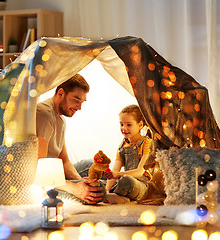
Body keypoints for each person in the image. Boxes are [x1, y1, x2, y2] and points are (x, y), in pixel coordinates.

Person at [36, 74, 104, 204]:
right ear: (61, 93)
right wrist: (74, 188)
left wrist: (81, 182)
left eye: (82, 102)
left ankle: (115, 187)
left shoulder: (60, 119)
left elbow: (64, 160)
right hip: (44, 180)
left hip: (56, 173)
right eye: (76, 100)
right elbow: (39, 166)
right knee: (98, 192)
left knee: (92, 165)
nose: (79, 107)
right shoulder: (44, 114)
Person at [104, 104, 152, 204]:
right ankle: (113, 196)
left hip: (141, 185)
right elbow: (115, 170)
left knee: (127, 181)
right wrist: (106, 190)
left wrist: (117, 175)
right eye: (121, 124)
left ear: (140, 125)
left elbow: (139, 172)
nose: (124, 128)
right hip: (124, 181)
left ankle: (116, 196)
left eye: (129, 125)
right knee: (100, 183)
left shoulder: (147, 143)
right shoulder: (122, 146)